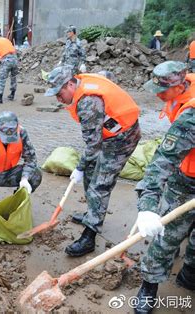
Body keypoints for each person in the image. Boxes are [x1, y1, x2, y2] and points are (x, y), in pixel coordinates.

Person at [44, 65, 141, 257]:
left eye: (59, 93)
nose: (58, 99)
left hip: (123, 138)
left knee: (100, 185)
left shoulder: (88, 102)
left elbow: (93, 145)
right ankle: (92, 213)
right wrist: (84, 168)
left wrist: (79, 167)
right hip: (108, 135)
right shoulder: (83, 83)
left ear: (71, 84)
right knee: (90, 174)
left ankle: (89, 235)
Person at [132, 61, 195, 313]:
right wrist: (147, 208)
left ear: (181, 85)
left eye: (162, 90)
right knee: (167, 236)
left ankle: (189, 273)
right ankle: (149, 285)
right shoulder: (186, 114)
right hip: (184, 181)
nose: (157, 95)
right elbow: (162, 162)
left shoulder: (191, 116)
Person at [0, 35, 18, 103]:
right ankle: (12, 94)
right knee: (13, 77)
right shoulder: (6, 40)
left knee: (1, 78)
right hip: (15, 59)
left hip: (7, 60)